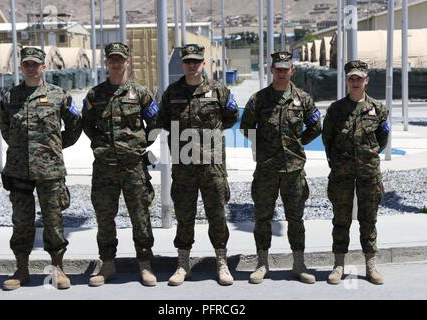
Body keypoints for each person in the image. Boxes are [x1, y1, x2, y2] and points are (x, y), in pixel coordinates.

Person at [0, 47, 82, 290]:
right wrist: (20, 149)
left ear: (44, 67)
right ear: (22, 67)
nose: (31, 68)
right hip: (18, 170)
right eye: (27, 64)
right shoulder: (10, 97)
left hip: (50, 170)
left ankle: (58, 269)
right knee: (21, 221)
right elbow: (6, 128)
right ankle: (21, 269)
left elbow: (75, 124)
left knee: (53, 220)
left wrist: (55, 146)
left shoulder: (59, 95)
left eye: (36, 64)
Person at [156, 44, 239, 286]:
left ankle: (221, 263)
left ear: (204, 63)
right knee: (184, 216)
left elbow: (231, 117)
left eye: (196, 61)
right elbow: (162, 120)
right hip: (183, 165)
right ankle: (183, 264)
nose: (192, 65)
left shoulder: (218, 90)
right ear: (182, 64)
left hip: (212, 165)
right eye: (188, 61)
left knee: (217, 215)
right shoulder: (172, 93)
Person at [240, 51, 322, 284]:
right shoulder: (259, 99)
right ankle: (262, 264)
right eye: (278, 68)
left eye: (285, 68)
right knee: (262, 218)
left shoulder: (303, 99)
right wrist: (264, 146)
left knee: (295, 219)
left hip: (294, 170)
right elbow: (246, 127)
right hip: (266, 170)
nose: (281, 72)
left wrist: (298, 143)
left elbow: (316, 126)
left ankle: (299, 264)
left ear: (292, 70)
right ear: (271, 69)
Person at [82, 42, 159, 287]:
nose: (116, 63)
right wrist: (101, 145)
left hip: (133, 166)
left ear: (127, 61)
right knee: (105, 217)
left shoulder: (141, 93)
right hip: (105, 167)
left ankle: (145, 265)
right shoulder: (95, 95)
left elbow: (155, 123)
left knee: (140, 216)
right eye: (112, 59)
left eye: (120, 59)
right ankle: (107, 264)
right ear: (106, 62)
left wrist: (139, 146)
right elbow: (86, 124)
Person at [322, 60, 389, 285]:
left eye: (359, 78)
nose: (355, 81)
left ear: (366, 80)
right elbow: (327, 140)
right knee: (341, 220)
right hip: (342, 175)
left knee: (368, 220)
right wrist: (339, 163)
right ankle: (338, 265)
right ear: (346, 80)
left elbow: (381, 139)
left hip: (369, 174)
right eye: (352, 78)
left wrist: (365, 159)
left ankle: (371, 266)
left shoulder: (378, 109)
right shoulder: (336, 110)